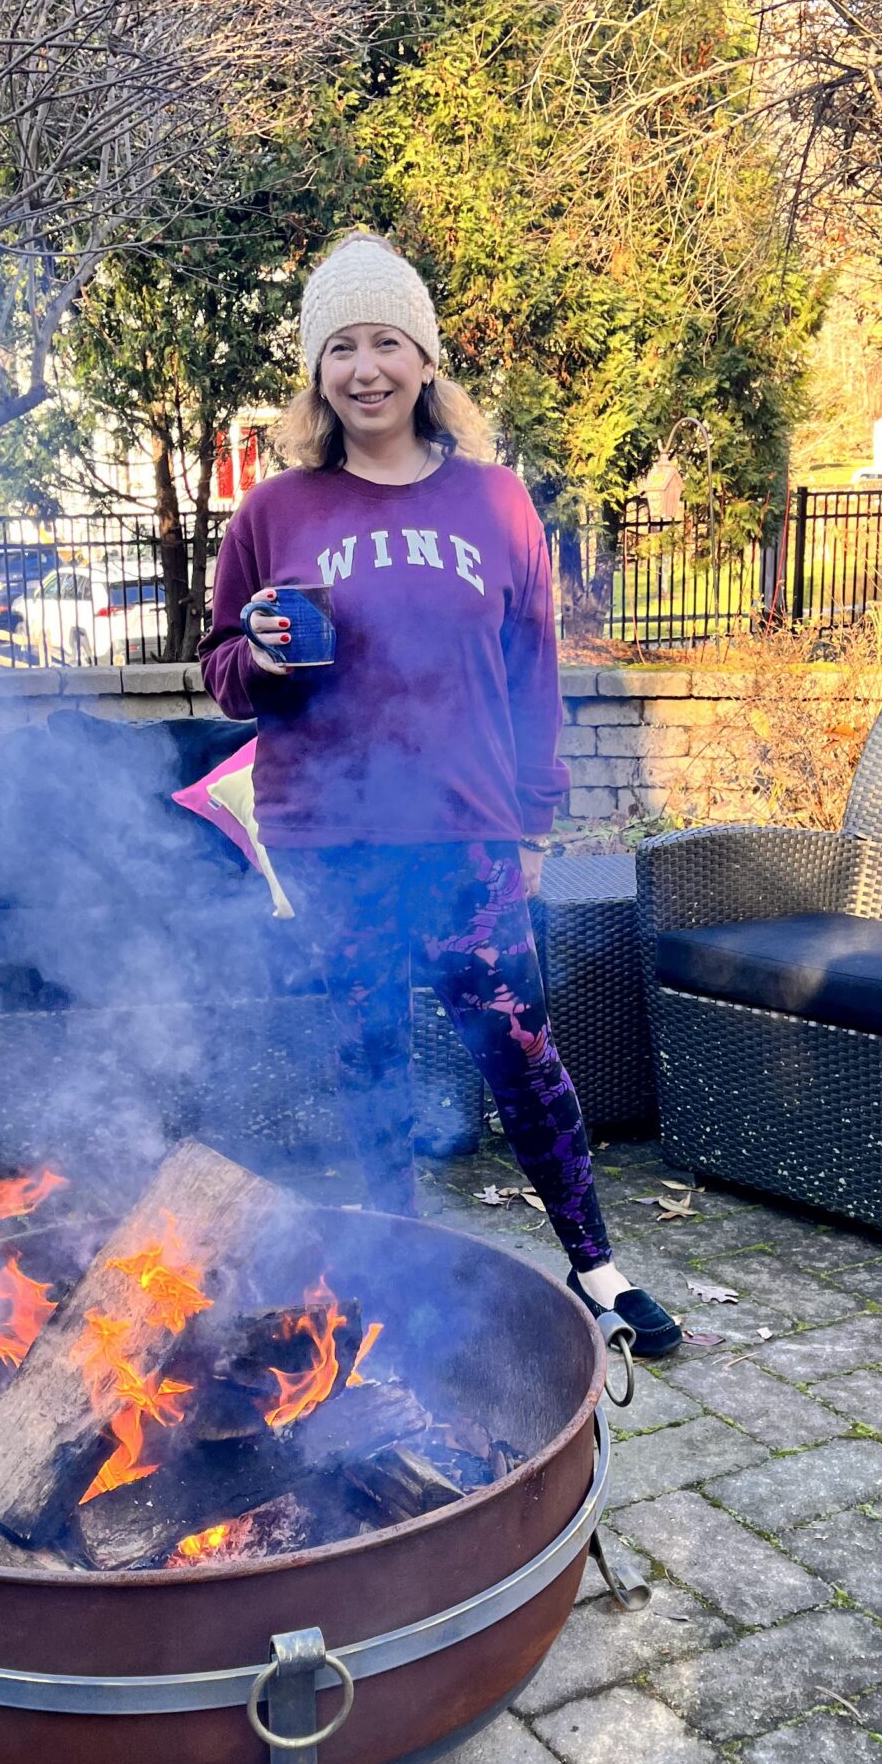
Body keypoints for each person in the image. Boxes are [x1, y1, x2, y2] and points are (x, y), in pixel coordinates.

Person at [201, 231, 681, 1357]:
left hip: (467, 836)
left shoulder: (499, 503)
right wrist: (260, 656)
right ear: (317, 373)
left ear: (425, 361)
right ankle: (395, 1279)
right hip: (330, 835)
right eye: (340, 349)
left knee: (521, 1053)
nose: (364, 369)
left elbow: (533, 678)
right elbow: (224, 676)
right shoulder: (276, 511)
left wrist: (535, 824)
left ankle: (599, 1269)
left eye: (386, 343)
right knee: (366, 1053)